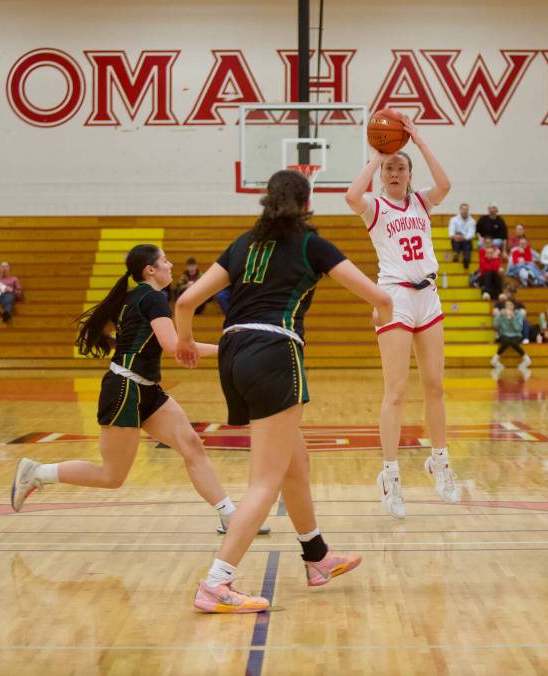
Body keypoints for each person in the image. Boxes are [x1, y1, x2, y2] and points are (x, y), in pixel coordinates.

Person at [175, 169, 394, 613]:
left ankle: (317, 557)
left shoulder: (243, 244)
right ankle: (216, 582)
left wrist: (183, 342)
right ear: (306, 202)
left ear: (266, 200)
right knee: (264, 482)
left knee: (295, 461)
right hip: (274, 349)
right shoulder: (311, 244)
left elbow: (183, 302)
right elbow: (380, 296)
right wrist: (380, 314)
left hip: (233, 352)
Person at [10, 245, 251, 542]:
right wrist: (228, 348)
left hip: (146, 389)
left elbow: (170, 347)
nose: (171, 264)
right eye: (165, 261)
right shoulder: (153, 299)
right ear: (150, 270)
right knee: (112, 476)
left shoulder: (138, 297)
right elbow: (173, 346)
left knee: (192, 446)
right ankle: (37, 472)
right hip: (126, 388)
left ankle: (229, 516)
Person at [345, 114, 461, 519]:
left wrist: (418, 140)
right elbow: (349, 194)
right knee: (395, 390)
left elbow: (445, 184)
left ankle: (440, 462)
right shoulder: (374, 205)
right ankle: (390, 475)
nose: (395, 172)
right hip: (394, 297)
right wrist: (378, 155)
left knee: (435, 385)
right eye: (389, 168)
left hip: (428, 295)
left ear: (410, 174)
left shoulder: (421, 202)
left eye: (400, 166)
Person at [491, 300, 531, 374]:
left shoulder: (518, 314)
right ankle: (495, 360)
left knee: (513, 342)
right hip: (504, 334)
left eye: (510, 305)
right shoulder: (501, 314)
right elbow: (496, 326)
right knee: (506, 341)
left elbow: (518, 328)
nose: (509, 307)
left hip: (516, 334)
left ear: (513, 306)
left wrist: (513, 318)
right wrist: (499, 316)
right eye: (507, 305)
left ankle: (526, 359)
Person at [448, 203, 476, 269]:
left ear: (468, 210)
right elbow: (451, 232)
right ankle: (456, 254)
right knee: (456, 238)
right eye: (463, 209)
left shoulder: (472, 221)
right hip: (456, 240)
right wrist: (455, 236)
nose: (465, 211)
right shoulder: (453, 219)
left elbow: (471, 233)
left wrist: (464, 237)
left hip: (466, 241)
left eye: (466, 209)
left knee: (468, 244)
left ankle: (466, 260)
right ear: (460, 210)